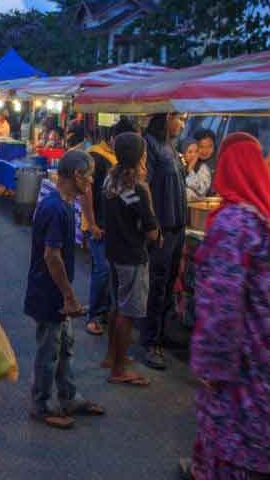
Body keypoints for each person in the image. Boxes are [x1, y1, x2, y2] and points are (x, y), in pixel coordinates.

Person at [180, 132, 270, 479]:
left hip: (243, 363)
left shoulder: (234, 223)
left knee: (236, 452)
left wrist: (210, 367)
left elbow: (221, 306)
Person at [25, 150, 105, 430]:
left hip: (56, 290)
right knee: (49, 350)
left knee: (63, 346)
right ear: (77, 175)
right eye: (90, 175)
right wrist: (69, 295)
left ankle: (69, 396)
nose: (92, 181)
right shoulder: (55, 208)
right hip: (48, 291)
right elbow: (51, 256)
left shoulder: (64, 203)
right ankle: (42, 404)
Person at [102, 132, 159, 388]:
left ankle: (112, 356)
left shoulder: (110, 180)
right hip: (132, 256)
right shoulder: (138, 187)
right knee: (128, 312)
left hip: (113, 252)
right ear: (140, 156)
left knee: (117, 306)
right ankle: (119, 369)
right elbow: (151, 229)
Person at [142, 112, 187, 370]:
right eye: (179, 118)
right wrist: (151, 223)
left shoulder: (171, 145)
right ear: (168, 117)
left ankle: (162, 332)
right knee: (157, 285)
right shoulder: (149, 144)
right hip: (162, 228)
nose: (182, 124)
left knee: (169, 283)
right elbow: (144, 186)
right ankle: (151, 342)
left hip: (177, 227)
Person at [83, 119, 135, 336]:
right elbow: (86, 192)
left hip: (112, 226)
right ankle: (94, 315)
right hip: (98, 225)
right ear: (114, 138)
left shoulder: (120, 159)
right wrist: (92, 223)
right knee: (102, 269)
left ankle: (103, 311)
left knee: (109, 270)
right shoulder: (96, 155)